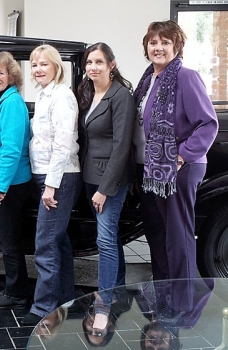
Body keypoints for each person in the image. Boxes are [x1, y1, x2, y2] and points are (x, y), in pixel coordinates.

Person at [133, 20, 218, 312]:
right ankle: (164, 294)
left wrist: (181, 156)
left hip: (180, 170)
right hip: (155, 172)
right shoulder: (148, 80)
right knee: (159, 233)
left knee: (178, 235)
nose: (158, 47)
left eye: (165, 42)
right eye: (153, 42)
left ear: (176, 46)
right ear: (146, 46)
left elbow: (208, 123)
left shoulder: (187, 77)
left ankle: (184, 304)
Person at [76, 42, 135, 331]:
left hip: (109, 180)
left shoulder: (121, 96)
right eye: (89, 63)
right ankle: (119, 289)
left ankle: (104, 304)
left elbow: (122, 145)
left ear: (111, 64)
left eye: (99, 62)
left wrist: (105, 189)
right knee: (109, 235)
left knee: (104, 240)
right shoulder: (87, 93)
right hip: (89, 176)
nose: (93, 67)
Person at [21, 44, 81, 326]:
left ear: (57, 67)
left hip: (59, 176)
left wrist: (51, 186)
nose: (38, 69)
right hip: (45, 174)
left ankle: (44, 306)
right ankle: (66, 297)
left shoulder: (63, 96)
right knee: (60, 241)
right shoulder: (44, 95)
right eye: (34, 65)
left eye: (44, 64)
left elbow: (62, 145)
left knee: (45, 243)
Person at [0, 52, 31, 309]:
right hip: (2, 180)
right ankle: (15, 286)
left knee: (9, 239)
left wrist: (0, 186)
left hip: (9, 184)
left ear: (11, 75)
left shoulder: (11, 103)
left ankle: (16, 293)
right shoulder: (1, 100)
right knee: (7, 237)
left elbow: (11, 149)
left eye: (0, 72)